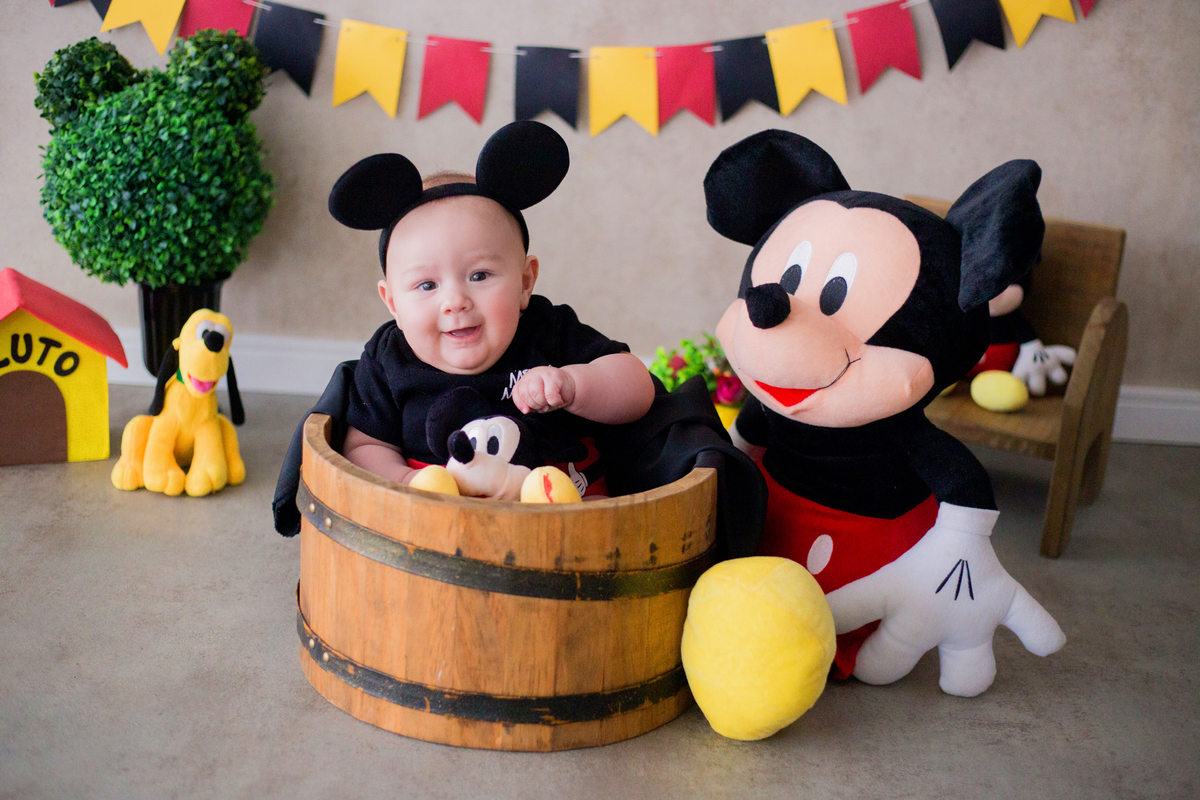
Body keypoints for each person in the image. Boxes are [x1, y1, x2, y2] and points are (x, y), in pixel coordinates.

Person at [330, 123, 654, 497]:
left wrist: (575, 384)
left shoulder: (547, 329)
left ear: (525, 281)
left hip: (561, 513)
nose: (455, 301)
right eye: (427, 285)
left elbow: (638, 389)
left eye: (480, 275)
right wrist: (409, 485)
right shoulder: (389, 360)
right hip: (439, 522)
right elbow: (363, 449)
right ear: (393, 304)